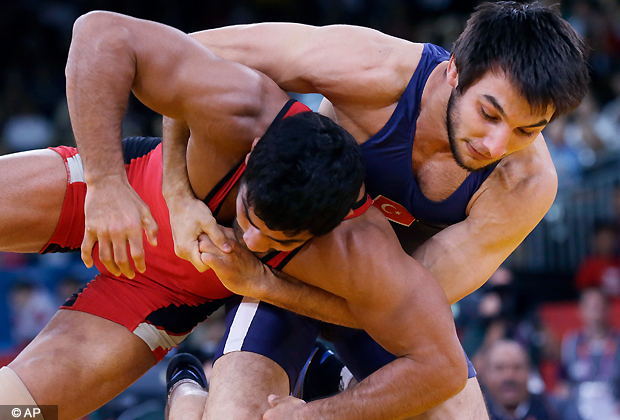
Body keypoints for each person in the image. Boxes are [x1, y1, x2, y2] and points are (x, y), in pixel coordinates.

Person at [0, 11, 467, 420]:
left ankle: (189, 393)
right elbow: (101, 32)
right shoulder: (242, 108)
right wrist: (109, 185)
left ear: (332, 224)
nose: (253, 242)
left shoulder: (356, 245)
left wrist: (266, 286)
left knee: (17, 411)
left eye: (280, 242)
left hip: (162, 294)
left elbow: (441, 368)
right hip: (129, 183)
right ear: (256, 149)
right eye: (250, 216)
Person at [158, 2, 589, 419]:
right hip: (296, 264)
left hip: (372, 301)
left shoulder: (524, 183)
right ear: (455, 69)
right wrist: (178, 193)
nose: (496, 146)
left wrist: (264, 286)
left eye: (526, 131)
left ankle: (322, 380)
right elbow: (185, 54)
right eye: (488, 113)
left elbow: (408, 310)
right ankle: (191, 391)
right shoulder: (374, 68)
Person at [559, 288, 620, 420]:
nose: (595, 312)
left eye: (599, 306)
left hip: (613, 409)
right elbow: (563, 383)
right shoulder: (571, 342)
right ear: (581, 310)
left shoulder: (618, 342)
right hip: (577, 410)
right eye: (591, 307)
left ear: (608, 309)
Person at [480, 340, 560, 420]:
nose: (509, 376)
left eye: (517, 367)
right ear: (486, 374)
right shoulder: (474, 412)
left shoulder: (551, 410)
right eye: (500, 368)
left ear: (528, 372)